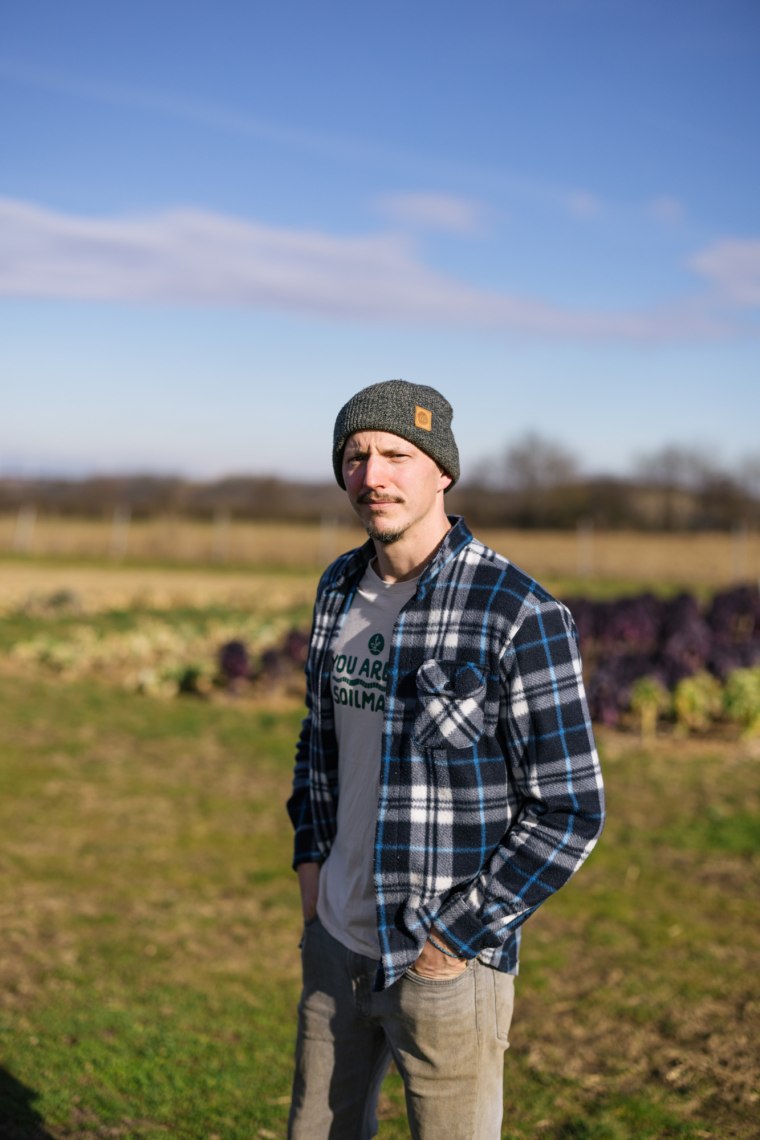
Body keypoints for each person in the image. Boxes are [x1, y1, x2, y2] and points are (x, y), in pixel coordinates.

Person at [286, 379, 605, 1139]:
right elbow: (318, 742)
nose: (373, 475)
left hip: (445, 960)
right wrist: (311, 874)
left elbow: (569, 809)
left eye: (397, 453)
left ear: (443, 472)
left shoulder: (517, 611)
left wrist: (452, 941)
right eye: (356, 456)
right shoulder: (338, 588)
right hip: (335, 940)